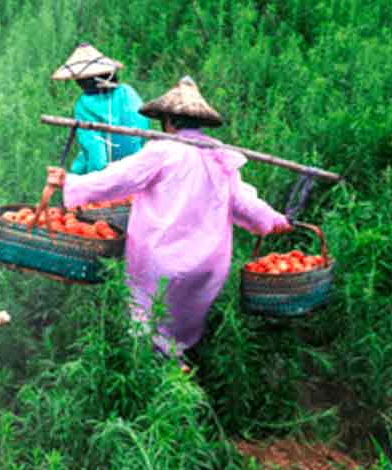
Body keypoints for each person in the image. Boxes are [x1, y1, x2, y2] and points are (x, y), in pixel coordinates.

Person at [46, 77, 292, 365]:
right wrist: (275, 220)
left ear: (169, 122)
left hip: (160, 262)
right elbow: (245, 205)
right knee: (180, 327)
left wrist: (70, 182)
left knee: (148, 323)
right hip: (206, 267)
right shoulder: (220, 158)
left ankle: (166, 374)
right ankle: (178, 359)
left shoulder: (162, 152)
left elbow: (118, 179)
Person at [51, 43, 148, 174]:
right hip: (138, 167)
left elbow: (97, 155)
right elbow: (142, 130)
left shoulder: (84, 104)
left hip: (110, 175)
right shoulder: (128, 92)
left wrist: (84, 181)